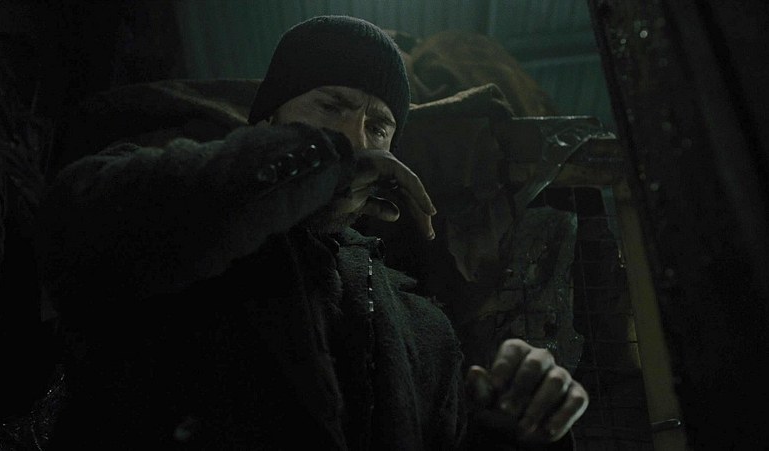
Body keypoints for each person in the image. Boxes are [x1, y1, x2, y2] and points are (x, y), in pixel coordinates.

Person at [33, 15, 588, 450]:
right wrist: (316, 161)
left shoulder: (425, 330)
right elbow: (80, 228)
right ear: (266, 123)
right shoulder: (176, 217)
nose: (357, 138)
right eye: (330, 106)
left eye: (378, 126)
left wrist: (514, 432)